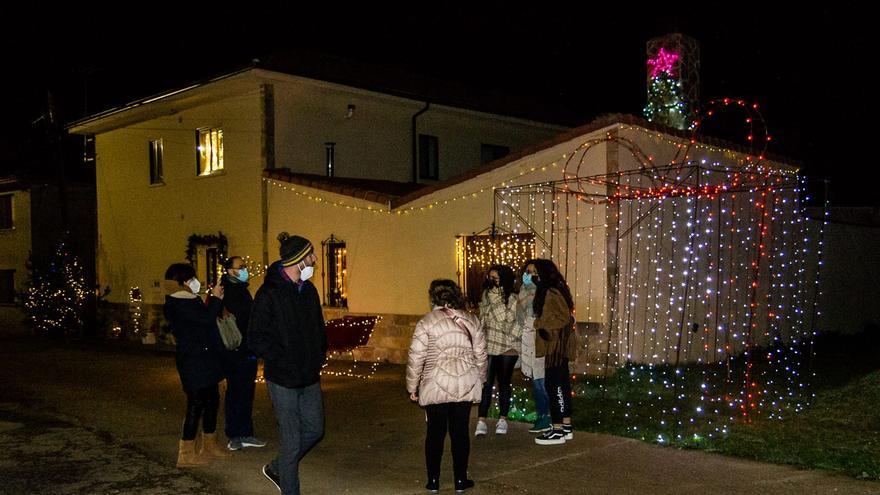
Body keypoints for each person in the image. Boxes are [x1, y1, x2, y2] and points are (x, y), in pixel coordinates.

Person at [249, 233, 327, 495]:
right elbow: (255, 337)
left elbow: (317, 327)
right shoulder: (269, 293)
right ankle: (289, 488)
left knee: (315, 429)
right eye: (311, 255)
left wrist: (318, 355)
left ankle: (278, 467)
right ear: (297, 261)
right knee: (292, 440)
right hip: (283, 379)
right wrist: (283, 358)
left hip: (308, 375)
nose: (315, 259)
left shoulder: (309, 290)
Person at [407, 279, 487, 493]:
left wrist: (412, 387)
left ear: (433, 296)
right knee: (460, 433)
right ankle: (460, 480)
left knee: (435, 433)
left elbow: (417, 357)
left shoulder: (426, 322)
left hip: (435, 383)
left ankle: (433, 480)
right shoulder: (472, 320)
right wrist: (480, 380)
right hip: (464, 384)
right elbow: (481, 355)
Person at [163, 263, 232, 467]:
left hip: (206, 359)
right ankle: (186, 452)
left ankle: (209, 445)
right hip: (193, 360)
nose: (196, 282)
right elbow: (205, 320)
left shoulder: (191, 300)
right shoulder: (177, 303)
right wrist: (216, 299)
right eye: (192, 278)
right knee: (196, 404)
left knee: (212, 400)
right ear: (184, 281)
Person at [219, 256, 266, 451]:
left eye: (245, 266)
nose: (245, 269)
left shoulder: (241, 289)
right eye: (241, 267)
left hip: (247, 348)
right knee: (236, 392)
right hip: (235, 348)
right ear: (230, 271)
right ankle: (235, 434)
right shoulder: (226, 291)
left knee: (246, 391)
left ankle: (245, 432)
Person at [530, 259, 577, 446]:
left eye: (535, 272)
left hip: (555, 346)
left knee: (554, 385)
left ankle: (558, 429)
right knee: (561, 385)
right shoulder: (554, 290)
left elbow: (565, 318)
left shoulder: (551, 292)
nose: (532, 276)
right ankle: (565, 426)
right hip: (556, 345)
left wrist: (541, 324)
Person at [475, 264, 520, 436]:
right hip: (489, 345)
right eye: (490, 277)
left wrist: (494, 301)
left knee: (504, 383)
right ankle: (481, 420)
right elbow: (483, 320)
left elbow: (507, 320)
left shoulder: (513, 298)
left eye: (496, 277)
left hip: (507, 346)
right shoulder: (487, 295)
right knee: (485, 383)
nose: (492, 280)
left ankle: (503, 418)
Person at [517, 260, 551, 433]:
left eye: (533, 272)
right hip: (527, 338)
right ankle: (542, 415)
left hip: (538, 339)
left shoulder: (543, 292)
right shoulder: (522, 291)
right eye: (527, 271)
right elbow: (519, 317)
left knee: (540, 380)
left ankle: (546, 417)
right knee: (536, 380)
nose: (529, 275)